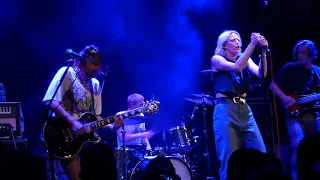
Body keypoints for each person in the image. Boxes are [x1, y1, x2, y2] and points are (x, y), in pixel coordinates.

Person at [42, 45, 123, 180]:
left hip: (86, 140)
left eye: (94, 73)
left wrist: (112, 127)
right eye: (88, 73)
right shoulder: (66, 73)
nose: (91, 77)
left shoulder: (95, 84)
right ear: (78, 64)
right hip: (64, 136)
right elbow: (49, 100)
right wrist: (72, 121)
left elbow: (95, 116)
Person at [210, 30, 268, 180]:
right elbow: (236, 67)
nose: (238, 43)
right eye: (234, 40)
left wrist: (263, 53)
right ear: (224, 45)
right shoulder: (217, 59)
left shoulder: (244, 58)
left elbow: (262, 73)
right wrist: (253, 43)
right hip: (225, 110)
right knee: (228, 158)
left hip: (244, 110)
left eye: (239, 40)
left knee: (261, 153)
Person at [269, 40, 320, 180]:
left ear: (311, 54)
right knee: (298, 146)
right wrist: (285, 98)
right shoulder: (289, 68)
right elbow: (273, 85)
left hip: (314, 114)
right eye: (298, 52)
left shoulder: (317, 71)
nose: (300, 55)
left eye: (303, 52)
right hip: (294, 115)